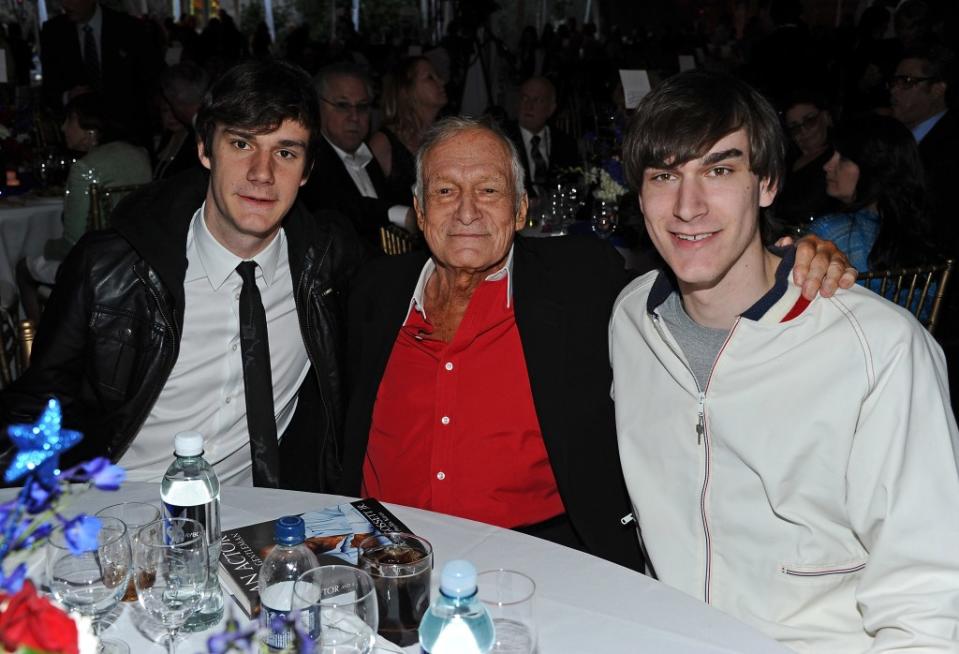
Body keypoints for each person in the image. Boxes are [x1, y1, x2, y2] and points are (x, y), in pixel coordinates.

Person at [340, 116, 853, 570]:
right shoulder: (375, 292)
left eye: (489, 191)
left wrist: (787, 258)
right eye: (446, 191)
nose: (467, 212)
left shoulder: (582, 285)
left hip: (532, 561)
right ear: (418, 210)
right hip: (379, 552)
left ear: (521, 210)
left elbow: (700, 284)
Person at [610, 70, 959, 651]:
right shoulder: (630, 321)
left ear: (767, 183)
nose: (687, 206)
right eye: (663, 176)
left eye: (719, 170)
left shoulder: (878, 350)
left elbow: (929, 596)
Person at [0, 60, 365, 492]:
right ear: (205, 149)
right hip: (116, 512)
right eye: (242, 144)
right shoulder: (111, 271)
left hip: (251, 521)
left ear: (306, 172)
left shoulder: (326, 264)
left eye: (285, 152)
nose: (262, 173)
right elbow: (35, 413)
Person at [16, 93, 152, 322]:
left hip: (94, 269)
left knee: (22, 267)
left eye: (70, 120)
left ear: (90, 129)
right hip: (138, 262)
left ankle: (42, 348)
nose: (62, 127)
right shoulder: (140, 154)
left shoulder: (84, 168)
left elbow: (73, 244)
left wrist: (45, 246)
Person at [810, 114, 936, 304]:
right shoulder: (924, 231)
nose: (828, 166)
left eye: (843, 158)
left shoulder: (832, 232)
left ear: (876, 167)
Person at [299, 63, 415, 253]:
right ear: (317, 107)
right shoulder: (309, 159)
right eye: (342, 105)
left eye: (362, 107)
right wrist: (402, 214)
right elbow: (339, 207)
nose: (354, 116)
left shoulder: (367, 154)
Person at [40, 0, 162, 149]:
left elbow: (151, 80)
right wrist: (67, 97)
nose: (66, 4)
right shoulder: (54, 32)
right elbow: (48, 89)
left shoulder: (128, 27)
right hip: (80, 140)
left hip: (128, 135)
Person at [889, 44, 958, 258]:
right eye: (894, 82)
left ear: (937, 89)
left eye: (907, 82)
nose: (894, 90)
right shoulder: (896, 134)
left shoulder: (950, 145)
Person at [369, 57, 448, 207]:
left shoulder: (445, 137)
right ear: (406, 91)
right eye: (430, 78)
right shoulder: (384, 143)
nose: (441, 82)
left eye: (438, 76)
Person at [505, 76, 580, 200]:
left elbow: (572, 187)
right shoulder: (503, 140)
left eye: (537, 100)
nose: (529, 106)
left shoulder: (566, 143)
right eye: (525, 98)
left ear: (551, 108)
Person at [770, 91, 837, 232]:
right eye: (794, 127)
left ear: (825, 117)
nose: (803, 130)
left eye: (810, 121)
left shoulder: (837, 158)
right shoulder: (785, 162)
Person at [154, 62, 210, 181]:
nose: (170, 116)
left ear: (174, 100)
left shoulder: (202, 130)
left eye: (170, 107)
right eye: (164, 111)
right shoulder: (167, 138)